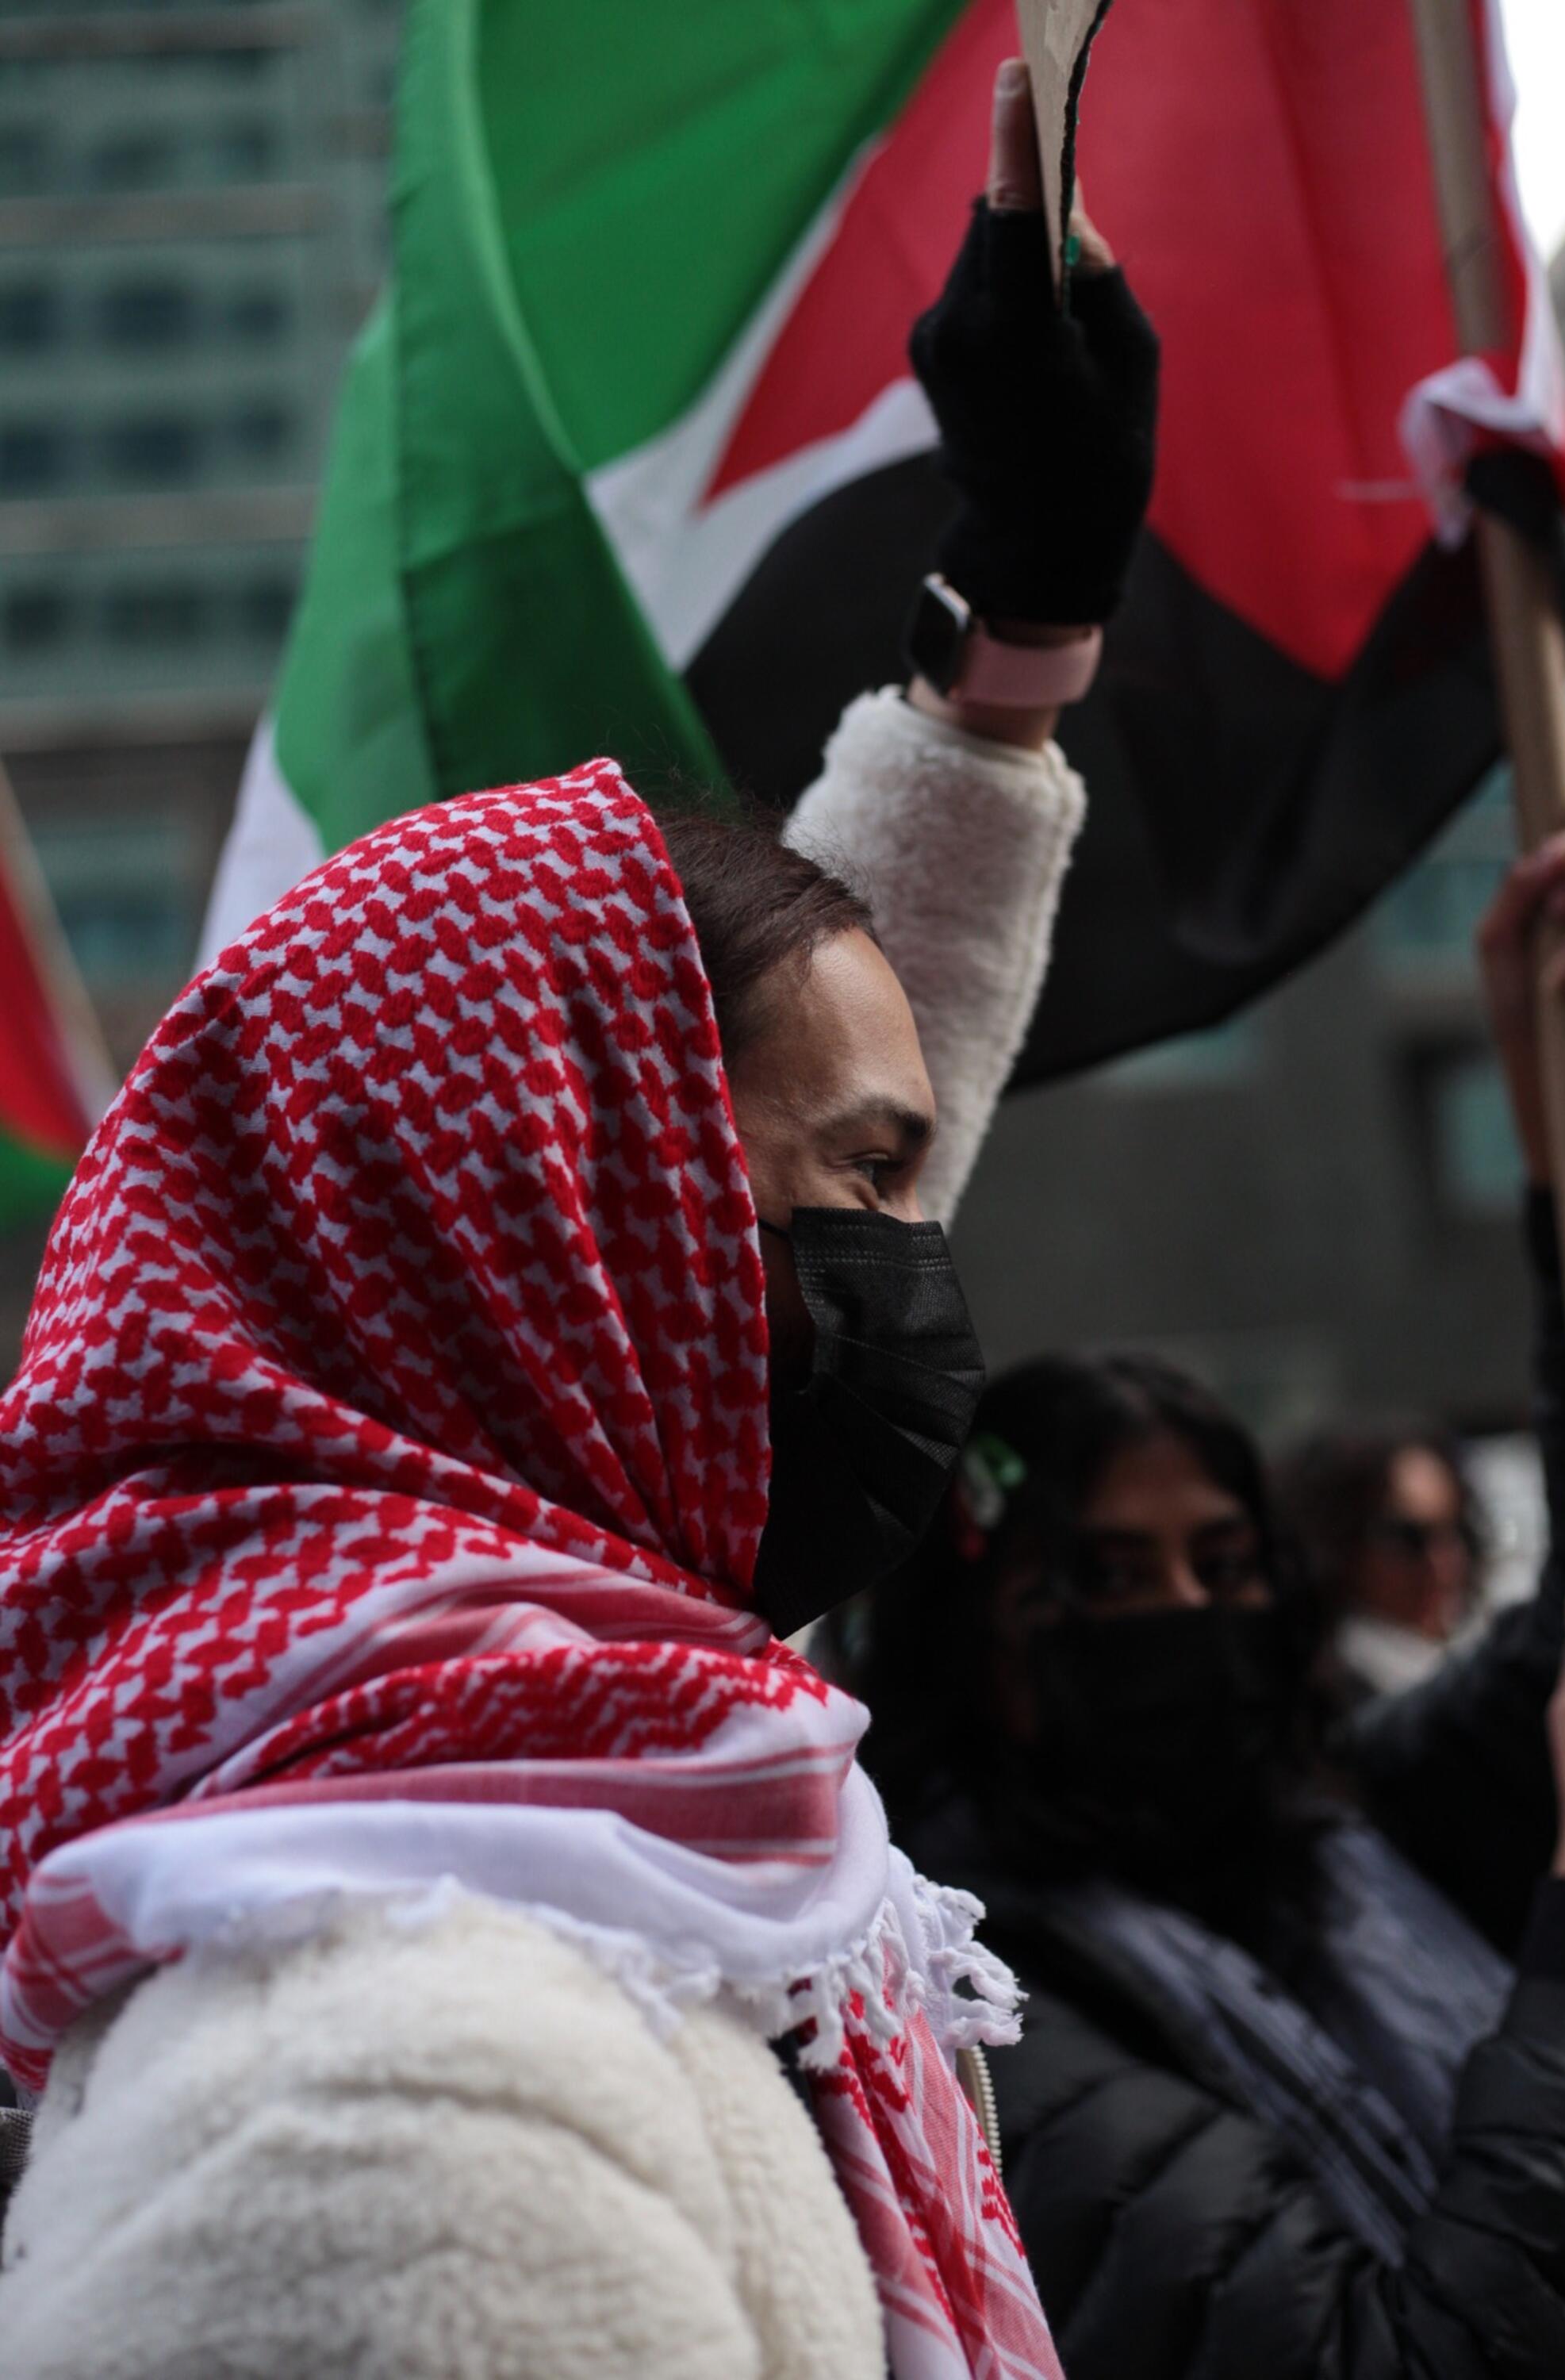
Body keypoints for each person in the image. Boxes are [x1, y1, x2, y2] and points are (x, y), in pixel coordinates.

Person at [0, 61, 1157, 2380]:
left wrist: (1010, 622)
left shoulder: (582, 1815)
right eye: (859, 1187)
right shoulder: (396, 2102)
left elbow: (841, 1049)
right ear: (565, 1239)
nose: (909, 1274)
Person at [846, 827, 1565, 2380]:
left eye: (1224, 1567)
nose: (1185, 1614)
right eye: (1105, 1580)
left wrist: (1553, 1123)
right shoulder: (987, 2036)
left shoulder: (1346, 1827)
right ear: (974, 1644)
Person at [1275, 1417, 1483, 1702]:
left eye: (1458, 1531)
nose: (1445, 1562)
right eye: (1409, 1538)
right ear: (1341, 1546)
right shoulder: (1333, 1695)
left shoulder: (1461, 1655)